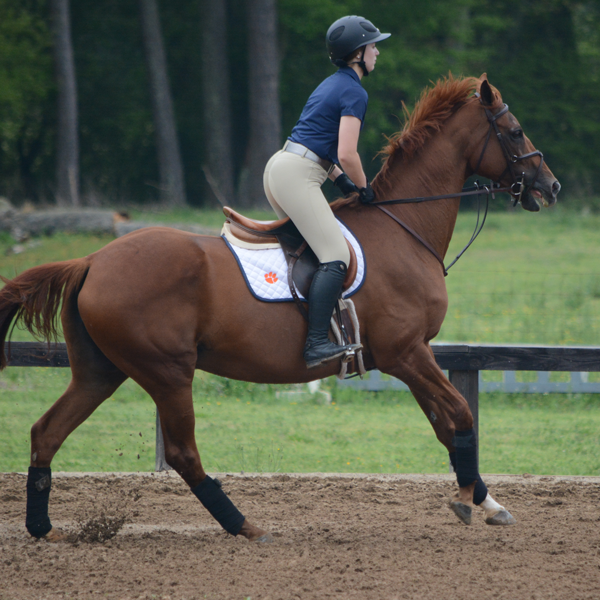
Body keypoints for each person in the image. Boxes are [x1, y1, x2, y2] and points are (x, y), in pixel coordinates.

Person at [263, 16, 391, 369]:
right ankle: (316, 343)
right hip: (298, 175)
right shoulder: (354, 91)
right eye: (373, 46)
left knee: (312, 252)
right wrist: (364, 188)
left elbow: (315, 143)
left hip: (280, 165)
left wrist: (341, 181)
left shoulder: (330, 85)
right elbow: (348, 153)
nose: (377, 52)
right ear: (357, 54)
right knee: (336, 255)